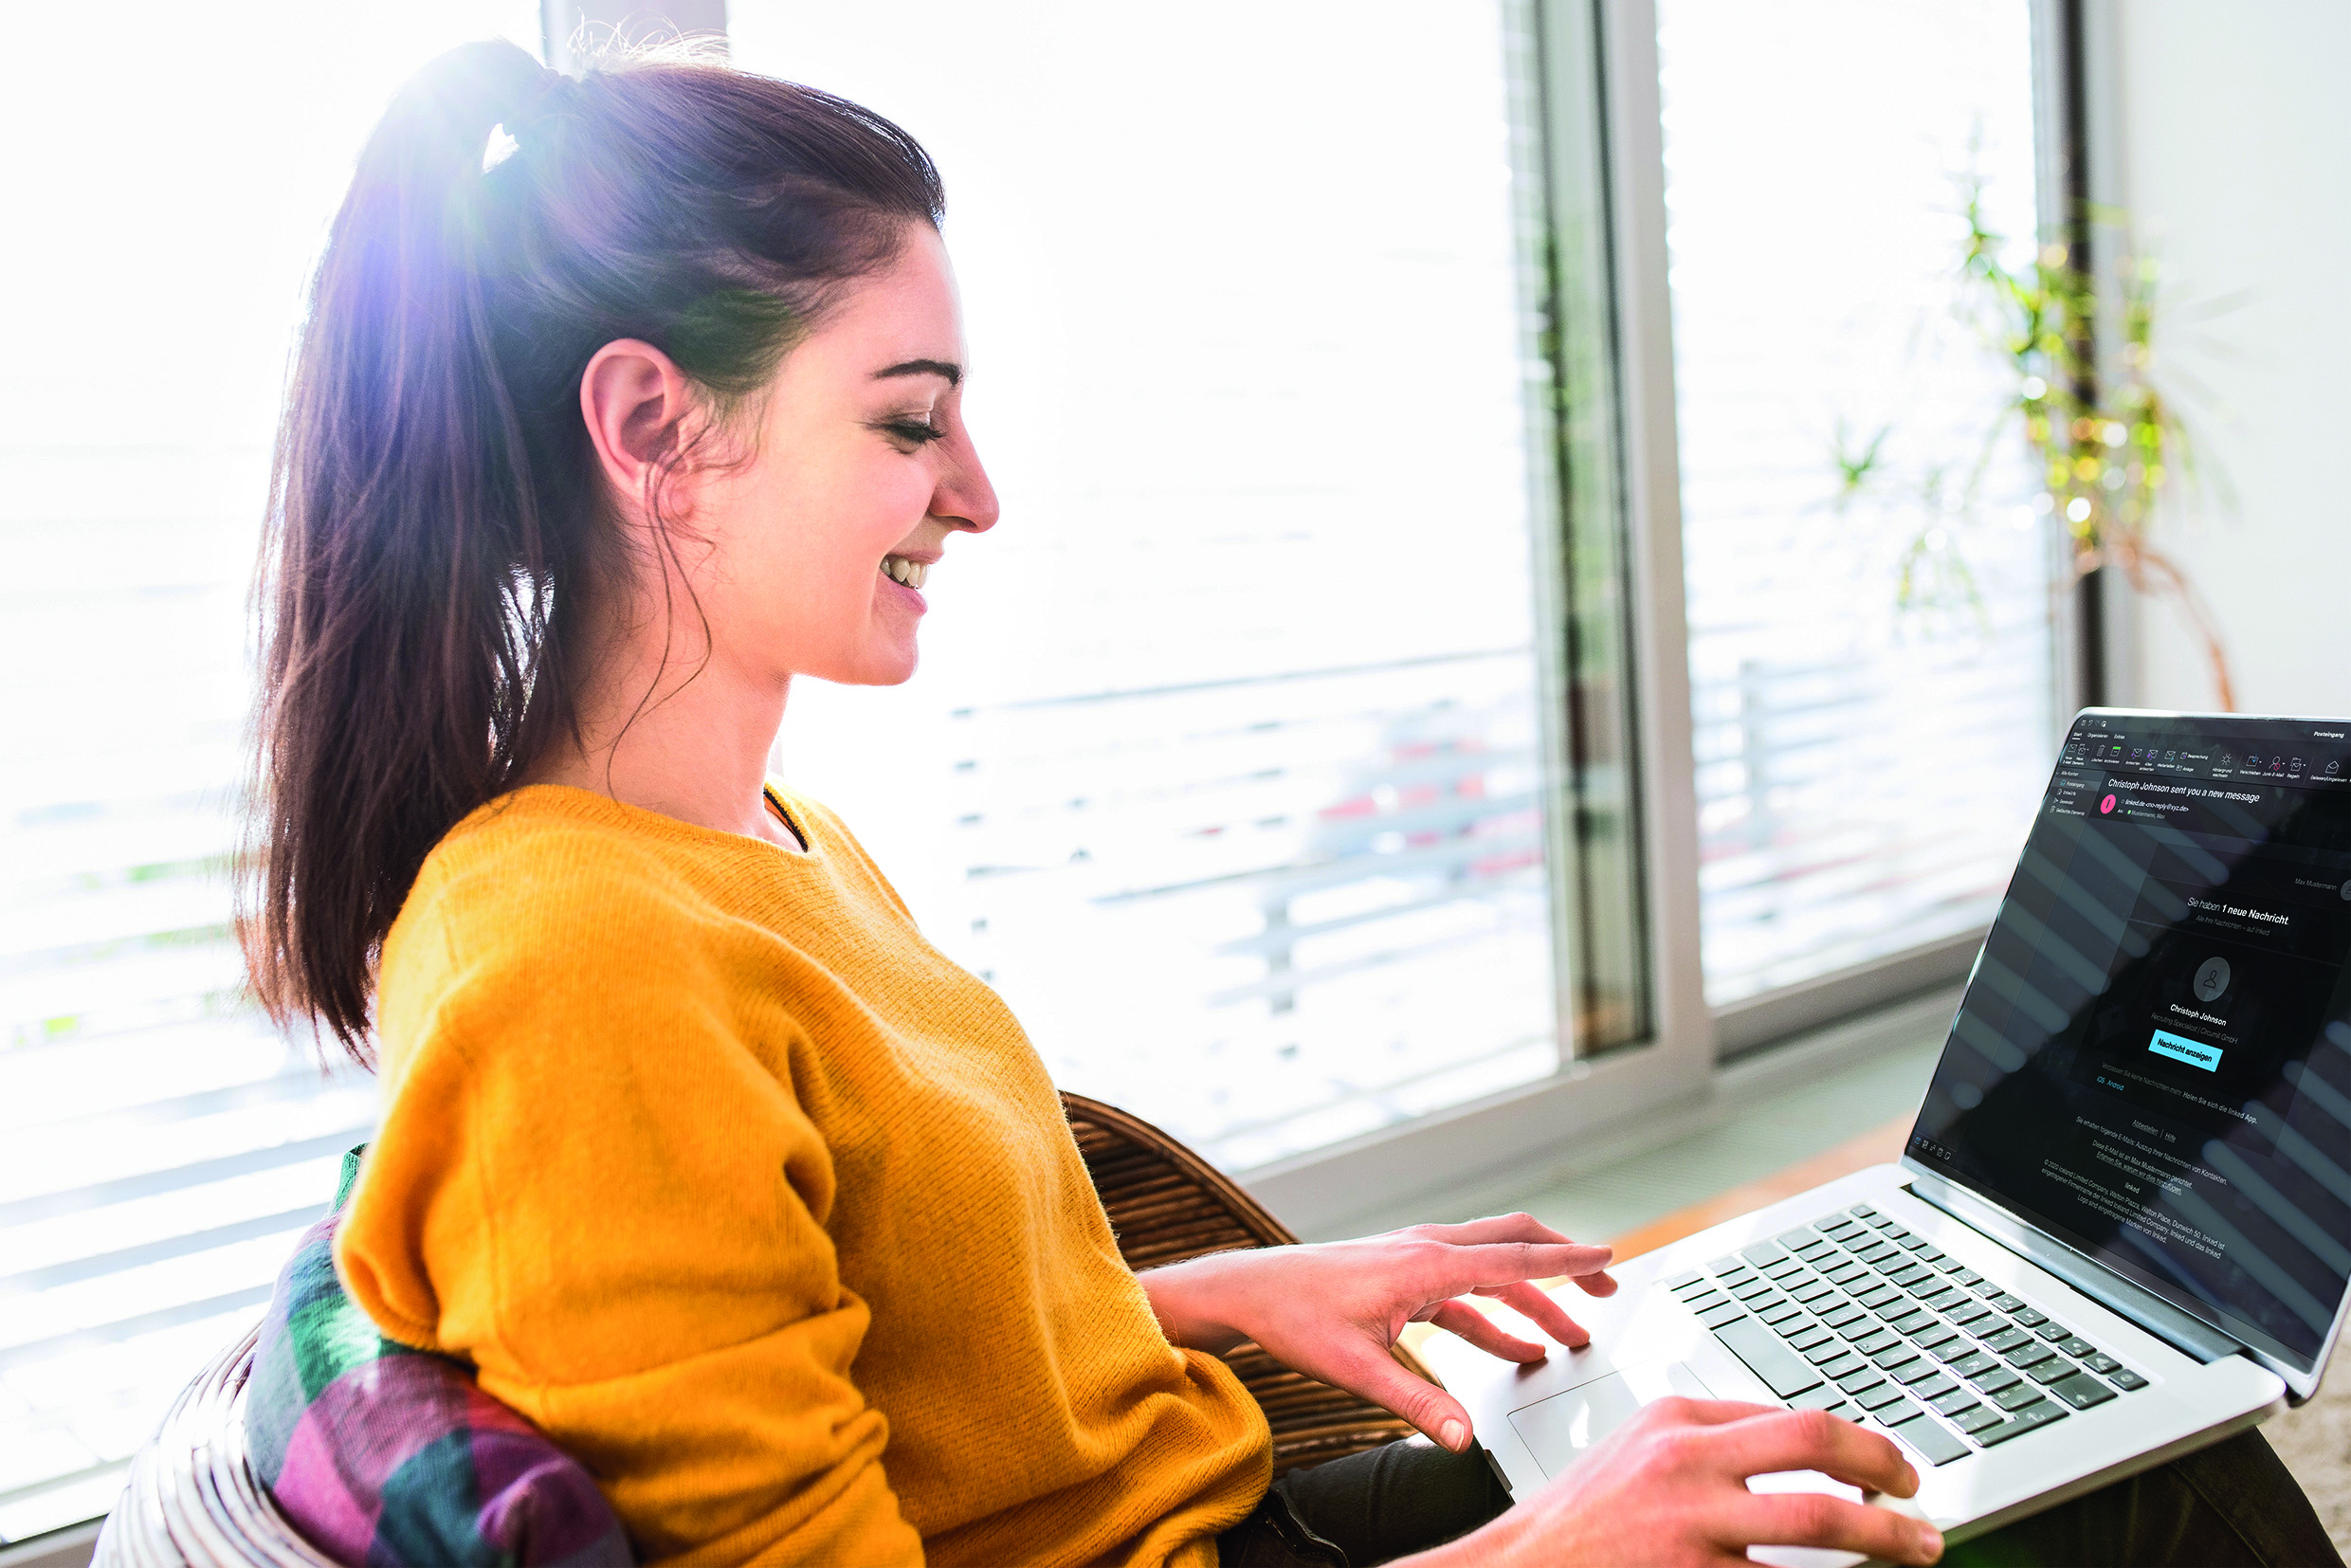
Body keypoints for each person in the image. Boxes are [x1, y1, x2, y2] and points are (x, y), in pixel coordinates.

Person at [242, 38, 2339, 1568]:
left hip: (1225, 1505)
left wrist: (1215, 1291)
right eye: (908, 421)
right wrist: (1546, 1550)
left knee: (2003, 1439)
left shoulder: (745, 847)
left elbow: (863, 1328)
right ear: (650, 427)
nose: (977, 495)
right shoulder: (574, 964)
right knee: (2129, 1499)